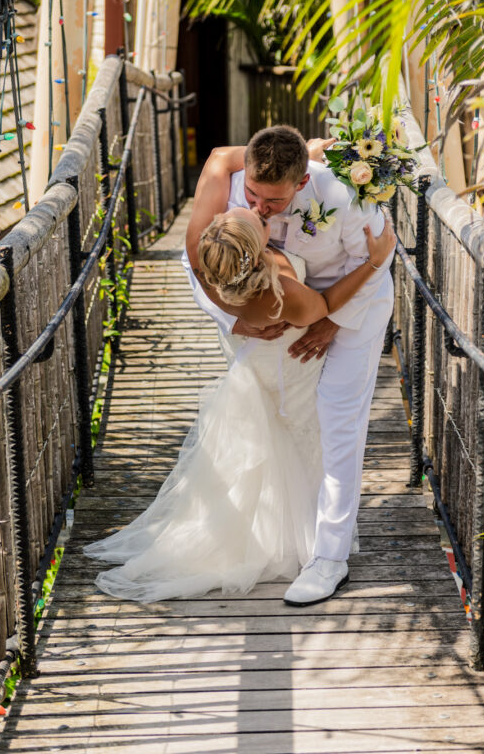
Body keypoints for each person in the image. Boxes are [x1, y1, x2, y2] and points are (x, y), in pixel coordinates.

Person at [83, 202, 394, 603]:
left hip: (256, 364)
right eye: (260, 222)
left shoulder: (220, 269)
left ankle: (282, 530)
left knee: (278, 445)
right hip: (289, 365)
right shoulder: (283, 297)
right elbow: (327, 308)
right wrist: (373, 264)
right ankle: (297, 541)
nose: (251, 210)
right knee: (302, 437)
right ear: (259, 243)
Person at [183, 126, 395, 606]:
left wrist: (334, 322)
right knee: (288, 420)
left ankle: (329, 559)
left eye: (272, 201)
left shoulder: (344, 196)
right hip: (291, 306)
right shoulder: (236, 186)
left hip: (353, 307)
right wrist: (231, 321)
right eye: (253, 194)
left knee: (338, 420)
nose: (258, 207)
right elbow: (196, 260)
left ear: (301, 184)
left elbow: (380, 257)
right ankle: (284, 528)